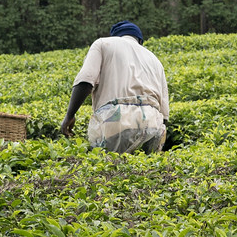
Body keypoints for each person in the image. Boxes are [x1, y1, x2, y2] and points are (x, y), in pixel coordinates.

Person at [60, 20, 170, 154]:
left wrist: (70, 115)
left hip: (116, 119)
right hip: (153, 123)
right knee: (143, 171)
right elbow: (164, 114)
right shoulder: (155, 60)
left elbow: (85, 82)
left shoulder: (104, 44)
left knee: (111, 169)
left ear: (115, 36)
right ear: (140, 41)